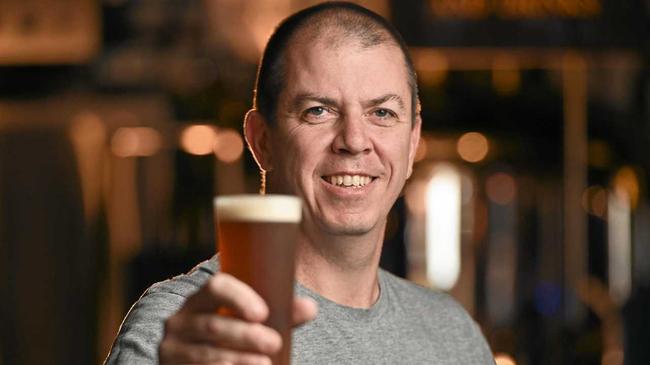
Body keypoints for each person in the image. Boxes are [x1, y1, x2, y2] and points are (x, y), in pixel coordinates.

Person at [105, 2, 495, 364]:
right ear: (262, 141)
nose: (355, 141)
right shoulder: (188, 330)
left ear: (411, 144)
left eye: (382, 112)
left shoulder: (453, 335)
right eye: (319, 111)